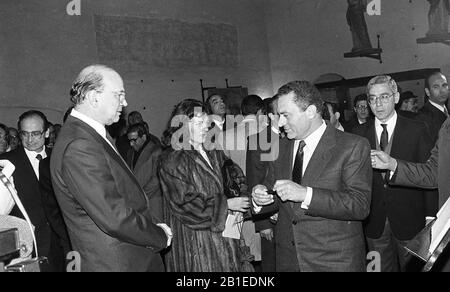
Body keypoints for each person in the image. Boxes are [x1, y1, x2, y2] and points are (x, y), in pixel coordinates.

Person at [50, 64, 171, 272]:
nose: (124, 103)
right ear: (93, 96)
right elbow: (114, 217)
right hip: (118, 262)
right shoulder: (80, 145)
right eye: (119, 95)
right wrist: (159, 235)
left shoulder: (90, 134)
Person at [252, 81, 372, 272]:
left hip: (334, 260)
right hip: (288, 260)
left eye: (285, 115)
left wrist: (306, 195)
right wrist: (260, 198)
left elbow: (359, 205)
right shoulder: (280, 147)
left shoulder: (352, 146)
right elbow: (273, 192)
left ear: (310, 111)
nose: (280, 123)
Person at [158, 99, 252, 272]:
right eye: (198, 122)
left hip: (224, 234)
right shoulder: (173, 158)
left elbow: (235, 177)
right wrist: (226, 205)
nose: (205, 127)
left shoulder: (213, 150)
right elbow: (184, 204)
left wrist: (245, 198)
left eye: (206, 122)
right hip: (195, 241)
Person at [353, 75, 434, 272]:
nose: (378, 103)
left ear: (396, 97)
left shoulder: (417, 129)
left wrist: (431, 217)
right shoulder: (356, 135)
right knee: (378, 270)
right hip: (373, 224)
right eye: (372, 98)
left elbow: (429, 174)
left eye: (384, 97)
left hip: (411, 220)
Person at [0, 110, 67, 271]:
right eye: (24, 134)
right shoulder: (6, 163)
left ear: (47, 133)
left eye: (36, 133)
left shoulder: (59, 159)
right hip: (26, 246)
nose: (29, 140)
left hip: (60, 244)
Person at [126, 123, 164, 222]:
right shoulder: (130, 152)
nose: (131, 144)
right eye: (129, 140)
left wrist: (141, 196)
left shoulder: (156, 151)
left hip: (153, 203)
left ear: (143, 137)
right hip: (138, 204)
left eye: (134, 140)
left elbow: (157, 179)